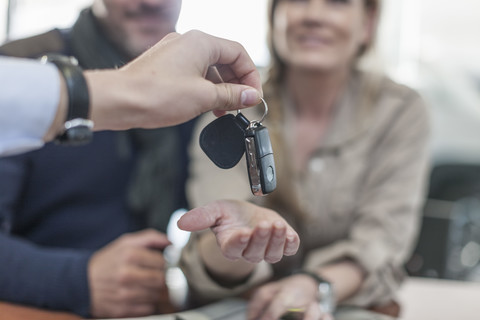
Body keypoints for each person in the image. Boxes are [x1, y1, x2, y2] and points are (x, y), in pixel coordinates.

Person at [0, 11, 299, 317]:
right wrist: (77, 279)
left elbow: (208, 226)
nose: (152, 2)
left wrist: (237, 236)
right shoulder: (19, 65)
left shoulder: (201, 83)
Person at [182, 0, 430, 319]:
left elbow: (380, 240)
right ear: (274, 17)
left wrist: (311, 285)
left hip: (343, 302)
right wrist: (236, 244)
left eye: (337, 2)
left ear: (367, 24)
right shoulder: (231, 101)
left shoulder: (400, 111)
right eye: (298, 0)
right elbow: (215, 235)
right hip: (241, 301)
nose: (313, 15)